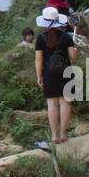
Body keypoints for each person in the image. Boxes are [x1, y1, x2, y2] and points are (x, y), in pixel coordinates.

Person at [35, 9, 78, 144]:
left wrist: (39, 76)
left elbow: (38, 60)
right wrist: (75, 49)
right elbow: (73, 57)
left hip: (49, 73)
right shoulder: (66, 36)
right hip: (66, 72)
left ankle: (54, 136)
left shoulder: (41, 38)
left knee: (52, 104)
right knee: (65, 103)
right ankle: (64, 135)